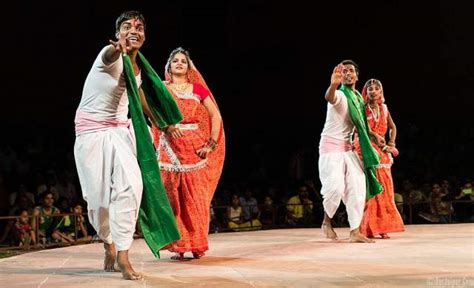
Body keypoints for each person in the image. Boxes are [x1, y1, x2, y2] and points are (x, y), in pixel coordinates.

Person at [74, 11, 182, 280]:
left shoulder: (137, 66)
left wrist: (162, 122)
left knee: (132, 187)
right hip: (92, 133)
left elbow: (138, 94)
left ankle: (123, 254)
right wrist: (117, 49)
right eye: (127, 26)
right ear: (118, 34)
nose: (134, 30)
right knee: (97, 201)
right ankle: (108, 242)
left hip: (121, 131)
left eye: (139, 27)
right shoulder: (108, 55)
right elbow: (111, 56)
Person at [151, 47, 225, 260]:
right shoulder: (162, 87)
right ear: (169, 66)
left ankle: (196, 244)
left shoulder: (198, 89)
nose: (180, 63)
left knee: (195, 199)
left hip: (194, 149)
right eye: (176, 60)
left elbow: (215, 116)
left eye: (184, 60)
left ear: (189, 66)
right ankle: (178, 246)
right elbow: (151, 110)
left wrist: (211, 144)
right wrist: (164, 126)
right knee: (173, 199)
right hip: (169, 146)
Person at [318, 60, 382, 243]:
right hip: (331, 149)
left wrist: (373, 135)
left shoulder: (358, 98)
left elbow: (360, 124)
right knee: (335, 189)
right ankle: (326, 221)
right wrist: (332, 85)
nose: (347, 73)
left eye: (351, 71)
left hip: (348, 149)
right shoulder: (340, 94)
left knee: (358, 187)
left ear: (357, 75)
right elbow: (330, 98)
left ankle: (355, 231)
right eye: (344, 71)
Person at [354, 79, 405, 239]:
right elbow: (359, 126)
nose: (373, 91)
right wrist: (374, 136)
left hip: (382, 150)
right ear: (366, 92)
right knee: (372, 187)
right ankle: (368, 227)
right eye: (370, 89)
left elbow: (393, 127)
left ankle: (383, 227)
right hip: (366, 146)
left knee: (386, 188)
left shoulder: (384, 108)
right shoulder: (361, 108)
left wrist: (391, 142)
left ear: (381, 92)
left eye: (376, 89)